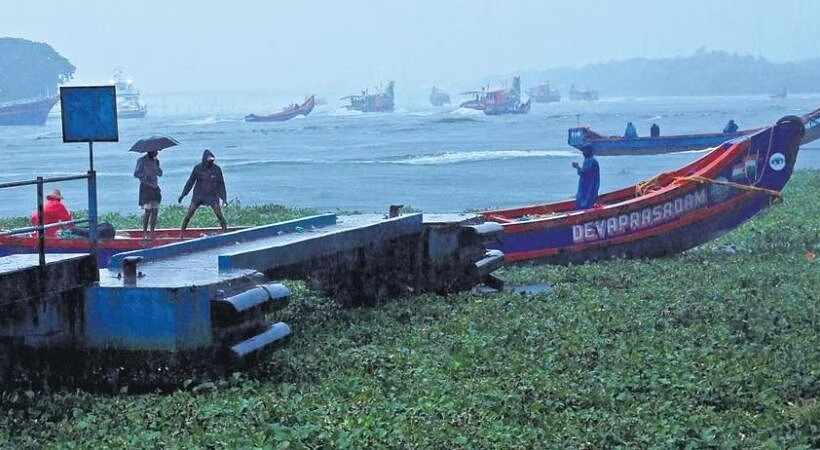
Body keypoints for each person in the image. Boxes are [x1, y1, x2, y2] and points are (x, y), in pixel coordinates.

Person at [178, 149, 227, 234]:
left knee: (219, 215)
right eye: (208, 161)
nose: (210, 163)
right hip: (198, 196)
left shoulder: (217, 169)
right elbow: (190, 182)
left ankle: (225, 231)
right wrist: (183, 195)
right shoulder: (197, 168)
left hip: (212, 196)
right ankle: (181, 233)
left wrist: (224, 198)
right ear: (204, 160)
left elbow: (221, 184)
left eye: (212, 161)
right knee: (189, 214)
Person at [134, 150, 163, 237]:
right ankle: (145, 231)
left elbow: (160, 173)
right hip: (145, 187)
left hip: (154, 187)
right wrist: (145, 175)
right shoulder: (141, 160)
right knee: (148, 211)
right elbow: (136, 173)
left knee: (155, 210)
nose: (157, 153)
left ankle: (152, 232)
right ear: (150, 151)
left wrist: (157, 168)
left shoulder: (156, 161)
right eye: (155, 151)